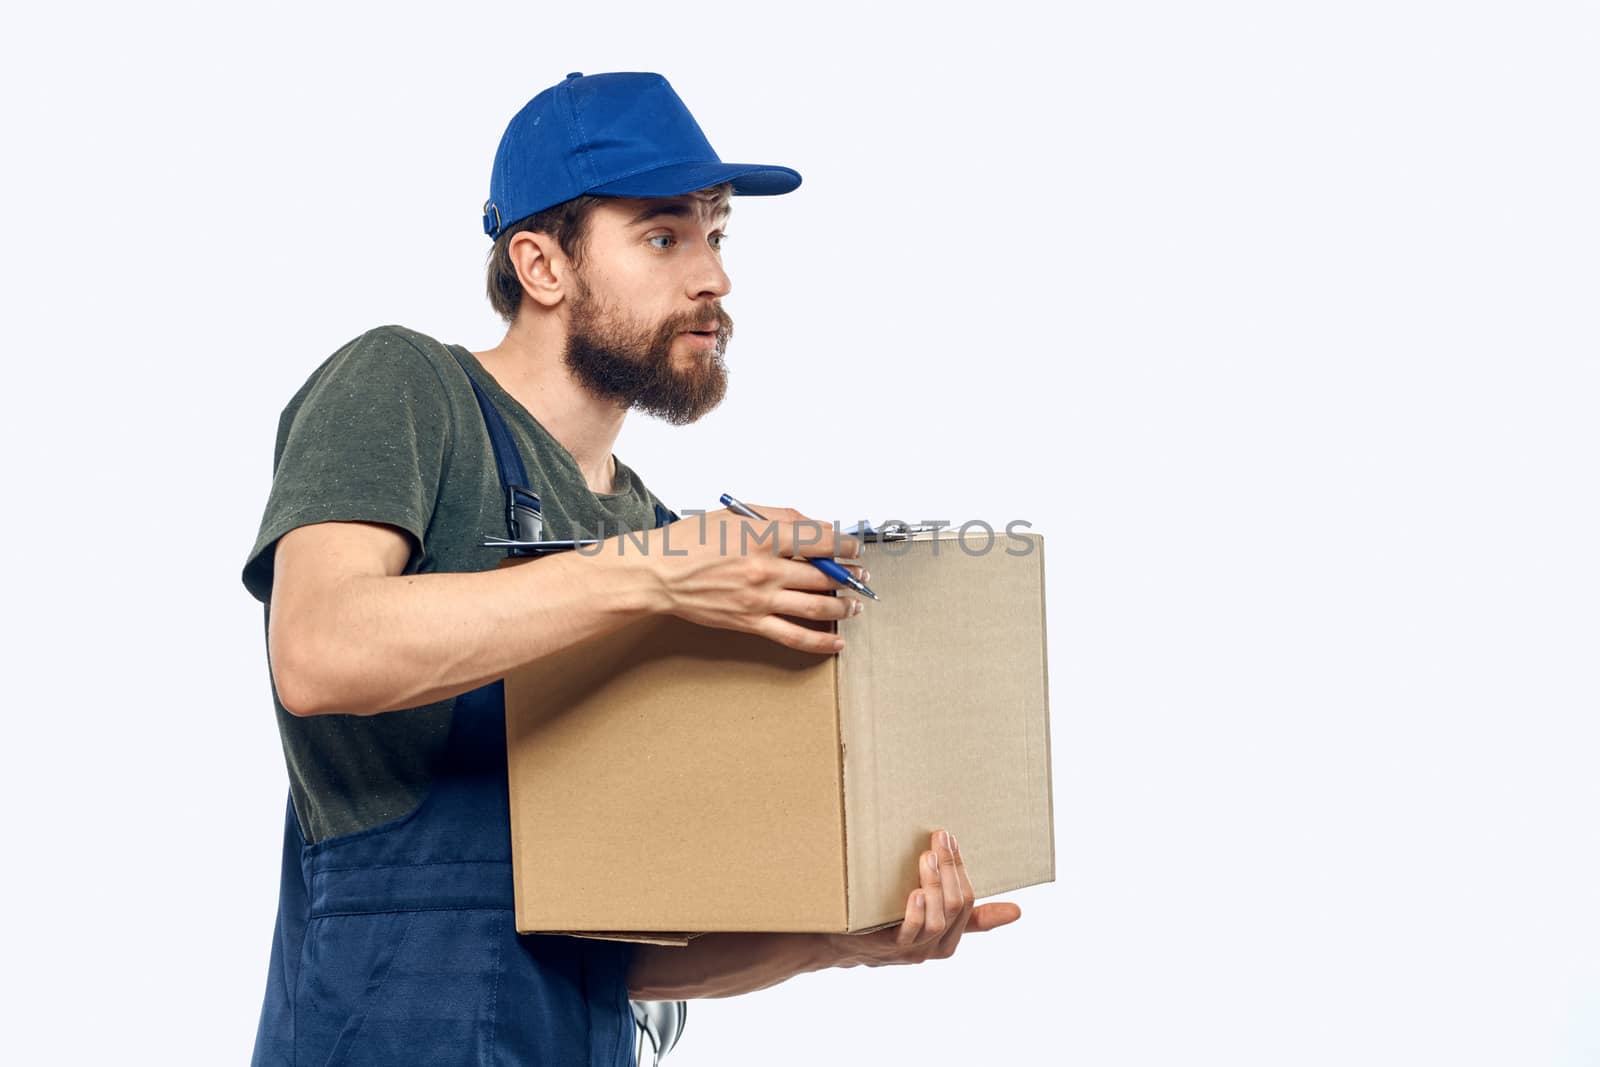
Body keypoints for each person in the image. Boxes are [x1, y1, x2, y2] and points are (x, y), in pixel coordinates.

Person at [242, 70, 1021, 1067]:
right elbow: (317, 651)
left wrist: (837, 938)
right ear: (541, 264)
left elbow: (616, 946)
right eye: (663, 236)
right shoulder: (404, 385)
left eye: (717, 234)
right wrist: (655, 573)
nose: (713, 278)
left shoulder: (647, 522)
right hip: (384, 1031)